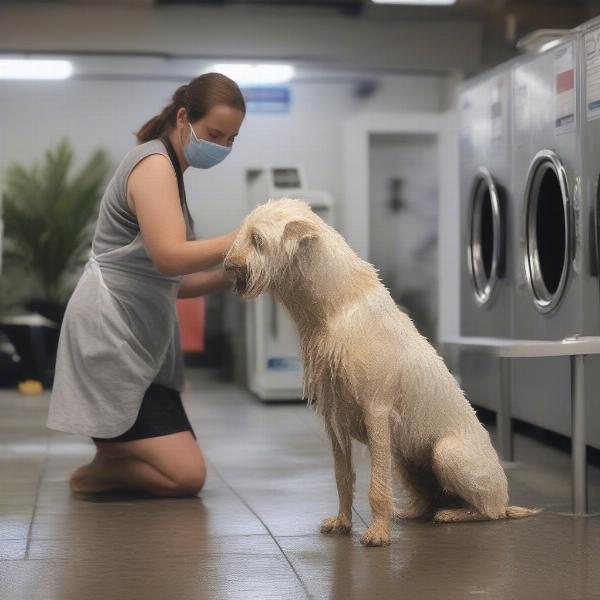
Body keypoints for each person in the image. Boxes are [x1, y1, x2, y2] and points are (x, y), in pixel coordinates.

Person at [46, 73, 245, 497]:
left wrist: (231, 276)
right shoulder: (154, 165)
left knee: (183, 473)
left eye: (231, 139)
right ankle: (93, 476)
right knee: (186, 477)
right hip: (111, 336)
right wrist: (244, 237)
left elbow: (172, 281)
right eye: (214, 134)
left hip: (138, 342)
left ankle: (113, 456)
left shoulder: (170, 170)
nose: (222, 147)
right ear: (182, 117)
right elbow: (170, 256)